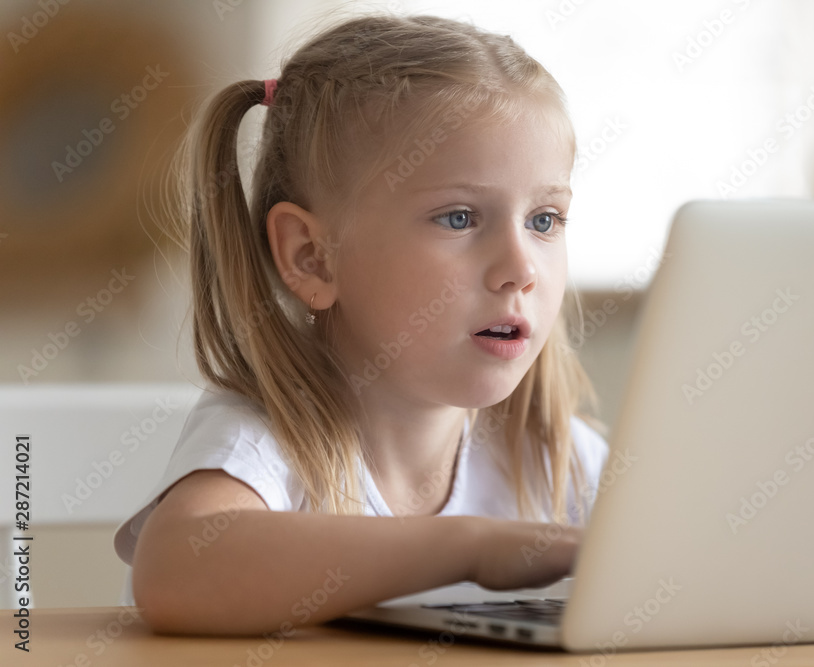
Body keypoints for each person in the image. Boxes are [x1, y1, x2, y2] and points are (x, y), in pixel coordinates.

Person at [113, 12, 610, 636]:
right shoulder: (264, 442)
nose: (520, 268)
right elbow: (176, 572)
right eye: (458, 218)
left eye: (544, 220)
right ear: (311, 257)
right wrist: (473, 549)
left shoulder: (559, 457)